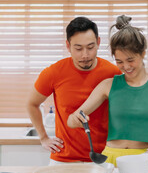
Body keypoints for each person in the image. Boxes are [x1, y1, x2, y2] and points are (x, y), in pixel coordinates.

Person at [67, 15, 148, 166]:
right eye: (119, 61)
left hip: (146, 158)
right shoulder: (108, 85)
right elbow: (72, 119)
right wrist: (76, 119)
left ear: (143, 53)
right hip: (112, 159)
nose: (126, 66)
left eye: (131, 60)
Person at [27, 17, 121, 164]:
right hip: (63, 159)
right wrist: (44, 138)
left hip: (103, 158)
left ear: (98, 42)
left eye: (90, 47)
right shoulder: (54, 72)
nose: (85, 55)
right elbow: (32, 104)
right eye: (78, 48)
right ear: (68, 45)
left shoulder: (113, 73)